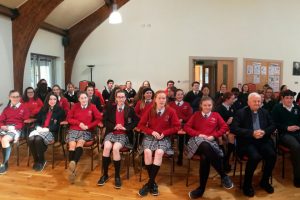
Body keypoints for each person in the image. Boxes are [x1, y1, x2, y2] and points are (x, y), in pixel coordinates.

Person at [184, 96, 233, 199]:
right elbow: (186, 127)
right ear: (201, 105)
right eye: (205, 105)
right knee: (204, 144)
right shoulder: (196, 114)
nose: (207, 107)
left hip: (210, 143)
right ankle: (223, 175)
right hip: (196, 142)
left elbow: (225, 127)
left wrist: (214, 135)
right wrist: (198, 134)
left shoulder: (216, 115)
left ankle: (201, 189)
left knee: (205, 157)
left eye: (209, 105)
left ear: (212, 106)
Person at [232, 92, 276, 197]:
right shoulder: (240, 112)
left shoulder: (264, 112)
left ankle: (264, 181)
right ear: (248, 102)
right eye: (254, 101)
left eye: (259, 101)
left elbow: (273, 125)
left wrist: (264, 132)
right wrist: (252, 133)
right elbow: (234, 128)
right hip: (247, 142)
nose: (257, 103)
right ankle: (247, 185)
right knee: (255, 157)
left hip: (262, 140)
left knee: (272, 155)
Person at [137, 90, 180, 197]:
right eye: (159, 98)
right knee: (147, 152)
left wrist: (165, 133)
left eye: (164, 98)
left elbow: (177, 127)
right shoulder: (149, 109)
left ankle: (149, 184)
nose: (161, 100)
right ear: (155, 99)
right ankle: (153, 184)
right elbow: (141, 125)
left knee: (159, 152)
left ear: (166, 100)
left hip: (164, 138)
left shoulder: (171, 111)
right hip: (150, 136)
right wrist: (151, 131)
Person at [97, 90, 138, 189]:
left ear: (125, 98)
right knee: (107, 147)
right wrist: (114, 126)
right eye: (118, 97)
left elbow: (136, 121)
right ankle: (105, 174)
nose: (120, 99)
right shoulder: (111, 108)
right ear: (115, 98)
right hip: (111, 132)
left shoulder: (130, 109)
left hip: (124, 134)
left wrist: (126, 127)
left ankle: (117, 176)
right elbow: (105, 120)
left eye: (122, 97)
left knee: (115, 148)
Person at [66, 91, 102, 184]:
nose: (84, 100)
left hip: (86, 130)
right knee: (72, 145)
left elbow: (99, 118)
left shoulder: (92, 107)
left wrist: (89, 126)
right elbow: (69, 118)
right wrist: (79, 123)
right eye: (81, 98)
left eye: (85, 98)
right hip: (74, 129)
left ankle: (73, 165)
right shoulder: (75, 106)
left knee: (80, 142)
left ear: (88, 98)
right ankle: (72, 169)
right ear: (79, 99)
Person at [28, 92, 65, 171]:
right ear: (47, 100)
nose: (52, 101)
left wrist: (48, 129)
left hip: (52, 132)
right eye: (50, 99)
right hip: (41, 130)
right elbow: (38, 121)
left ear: (57, 100)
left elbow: (59, 125)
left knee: (38, 139)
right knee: (30, 139)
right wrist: (38, 127)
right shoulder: (43, 109)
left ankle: (42, 160)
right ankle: (36, 159)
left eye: (54, 99)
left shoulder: (60, 110)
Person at [272, 89, 300, 187]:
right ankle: (297, 177)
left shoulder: (297, 107)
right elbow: (273, 124)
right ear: (282, 99)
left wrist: (298, 126)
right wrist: (287, 128)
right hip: (284, 134)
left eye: (291, 98)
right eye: (287, 98)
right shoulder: (277, 108)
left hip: (297, 132)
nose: (289, 100)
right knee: (296, 147)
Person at [0, 90, 30, 174]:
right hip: (5, 128)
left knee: (4, 140)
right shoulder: (6, 109)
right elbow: (1, 120)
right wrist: (2, 126)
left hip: (17, 129)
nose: (15, 98)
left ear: (20, 98)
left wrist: (12, 127)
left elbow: (25, 122)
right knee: (2, 139)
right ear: (9, 97)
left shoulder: (24, 108)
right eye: (13, 97)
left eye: (17, 97)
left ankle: (5, 164)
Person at [169, 89, 193, 166]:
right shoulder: (170, 104)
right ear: (175, 96)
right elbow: (167, 114)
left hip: (182, 125)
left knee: (181, 137)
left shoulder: (187, 104)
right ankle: (169, 151)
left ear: (183, 95)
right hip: (172, 125)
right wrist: (175, 120)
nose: (180, 96)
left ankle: (180, 157)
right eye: (178, 94)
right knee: (168, 135)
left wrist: (182, 119)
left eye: (181, 94)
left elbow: (189, 116)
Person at [215, 92, 236, 172]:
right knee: (221, 139)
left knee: (231, 137)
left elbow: (235, 118)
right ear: (227, 99)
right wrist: (227, 123)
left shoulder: (232, 107)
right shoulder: (219, 108)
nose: (233, 101)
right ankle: (223, 160)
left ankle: (226, 159)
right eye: (232, 99)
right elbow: (217, 123)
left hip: (230, 129)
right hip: (220, 129)